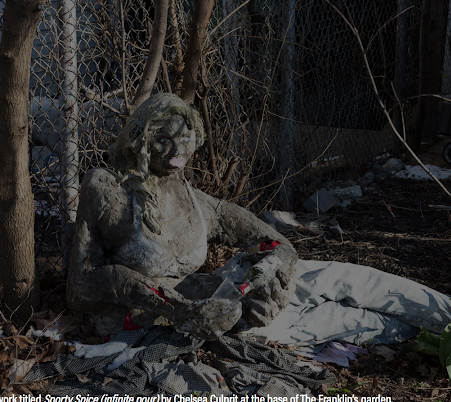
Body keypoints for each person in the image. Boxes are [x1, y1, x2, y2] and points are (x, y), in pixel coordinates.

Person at [67, 93, 298, 340]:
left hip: (194, 315)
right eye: (163, 140)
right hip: (129, 325)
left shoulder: (197, 203)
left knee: (260, 281)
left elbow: (278, 245)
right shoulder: (109, 191)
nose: (177, 150)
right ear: (140, 140)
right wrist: (174, 309)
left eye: (185, 138)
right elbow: (79, 291)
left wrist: (278, 273)